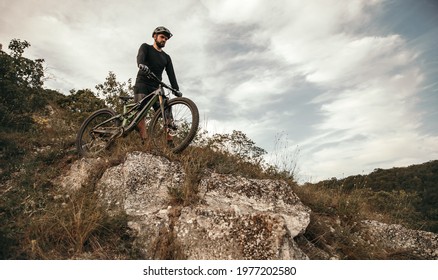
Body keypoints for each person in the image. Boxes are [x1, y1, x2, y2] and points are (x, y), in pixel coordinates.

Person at [134, 26, 181, 141]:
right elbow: (140, 56)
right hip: (142, 83)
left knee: (167, 113)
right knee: (141, 113)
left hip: (156, 87)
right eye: (162, 37)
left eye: (166, 38)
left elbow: (171, 74)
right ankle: (145, 141)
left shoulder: (166, 57)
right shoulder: (146, 47)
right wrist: (141, 64)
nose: (164, 40)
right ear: (155, 36)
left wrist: (176, 89)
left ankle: (170, 142)